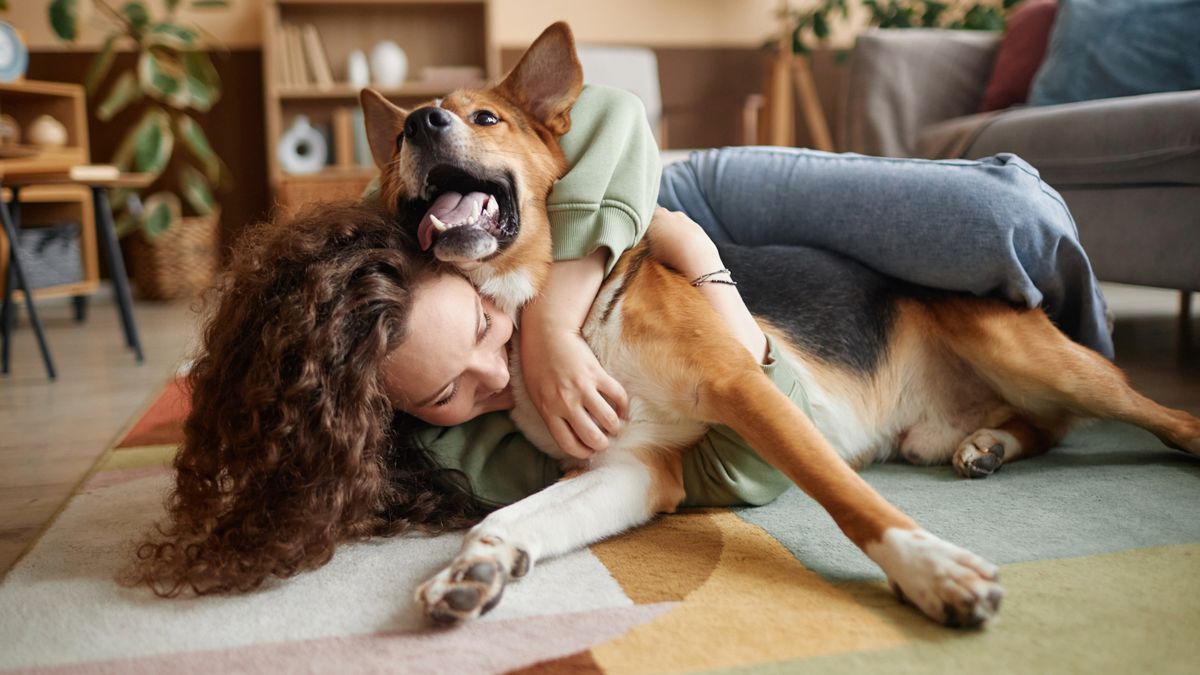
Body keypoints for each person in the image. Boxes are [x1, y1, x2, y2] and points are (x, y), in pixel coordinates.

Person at [130, 86, 1111, 597]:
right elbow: (662, 472)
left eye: (480, 330)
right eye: (445, 394)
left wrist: (555, 316)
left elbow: (605, 118)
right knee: (1002, 268)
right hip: (753, 330)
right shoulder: (403, 400)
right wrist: (504, 534)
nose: (492, 366)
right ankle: (1032, 417)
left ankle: (1071, 369)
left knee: (1014, 225)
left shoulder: (385, 216)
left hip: (657, 186)